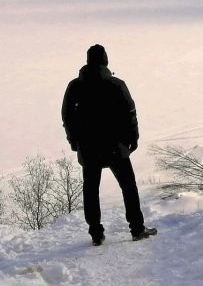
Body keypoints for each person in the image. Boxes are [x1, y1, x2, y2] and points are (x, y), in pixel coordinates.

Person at [62, 44, 157, 246]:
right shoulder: (116, 84)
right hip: (116, 146)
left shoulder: (75, 86)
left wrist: (74, 142)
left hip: (88, 147)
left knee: (91, 191)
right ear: (105, 60)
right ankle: (137, 229)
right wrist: (134, 138)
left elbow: (67, 117)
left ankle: (96, 234)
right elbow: (130, 113)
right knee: (128, 187)